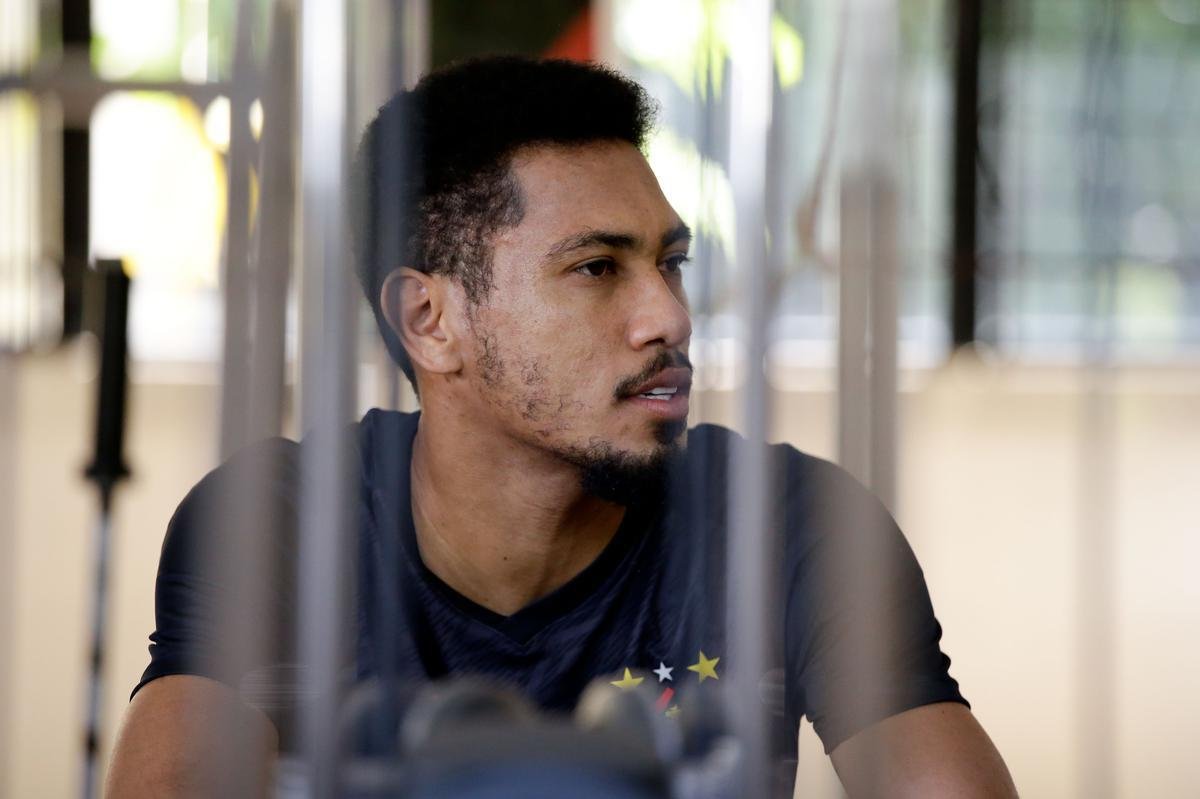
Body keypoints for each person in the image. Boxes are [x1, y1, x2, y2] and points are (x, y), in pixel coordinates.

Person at [106, 56, 1016, 797]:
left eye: (671, 262)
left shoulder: (790, 521)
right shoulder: (277, 521)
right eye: (596, 268)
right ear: (429, 320)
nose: (669, 317)